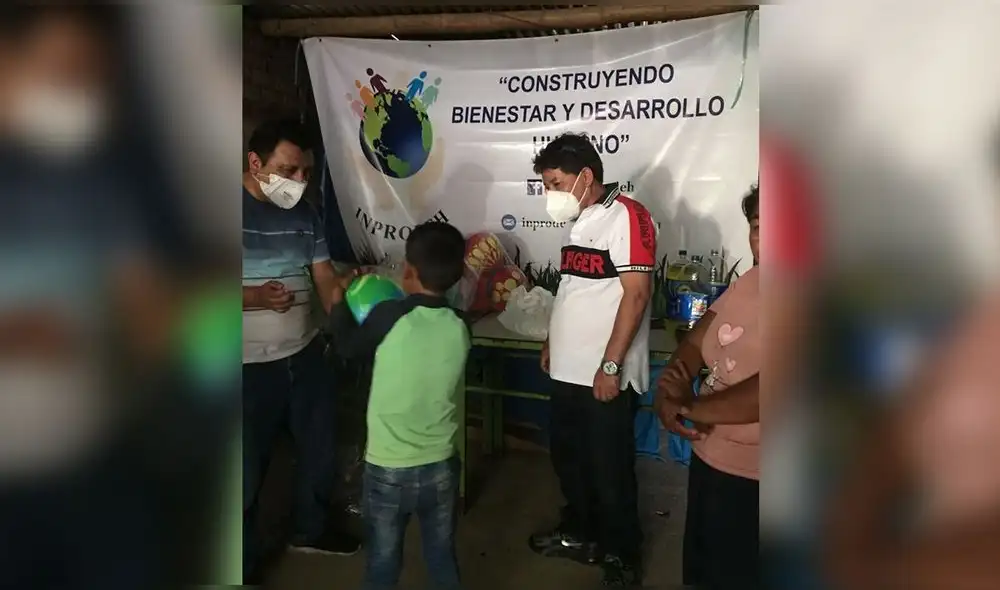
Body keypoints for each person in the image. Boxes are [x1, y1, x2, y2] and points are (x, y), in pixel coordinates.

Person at [528, 132, 656, 587]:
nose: (551, 193)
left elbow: (636, 296)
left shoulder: (629, 217)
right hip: (567, 368)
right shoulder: (580, 221)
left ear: (586, 177)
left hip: (603, 374)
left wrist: (611, 365)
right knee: (570, 458)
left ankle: (622, 552)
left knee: (609, 468)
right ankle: (581, 532)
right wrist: (551, 341)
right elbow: (572, 290)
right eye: (547, 184)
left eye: (556, 182)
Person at [241, 119, 360, 581]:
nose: (299, 182)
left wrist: (345, 299)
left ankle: (310, 530)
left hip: (305, 354)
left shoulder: (305, 215)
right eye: (288, 170)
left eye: (306, 172)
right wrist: (254, 298)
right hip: (245, 367)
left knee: (319, 449)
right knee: (244, 473)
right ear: (256, 163)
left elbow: (324, 277)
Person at [327, 222, 470, 590]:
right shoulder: (460, 325)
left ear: (409, 271)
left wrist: (338, 303)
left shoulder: (389, 315)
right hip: (441, 465)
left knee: (383, 561)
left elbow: (347, 348)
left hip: (388, 467)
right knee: (441, 555)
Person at [655, 185, 760, 590]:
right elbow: (697, 340)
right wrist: (669, 391)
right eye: (757, 225)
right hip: (711, 460)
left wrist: (689, 407)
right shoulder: (751, 281)